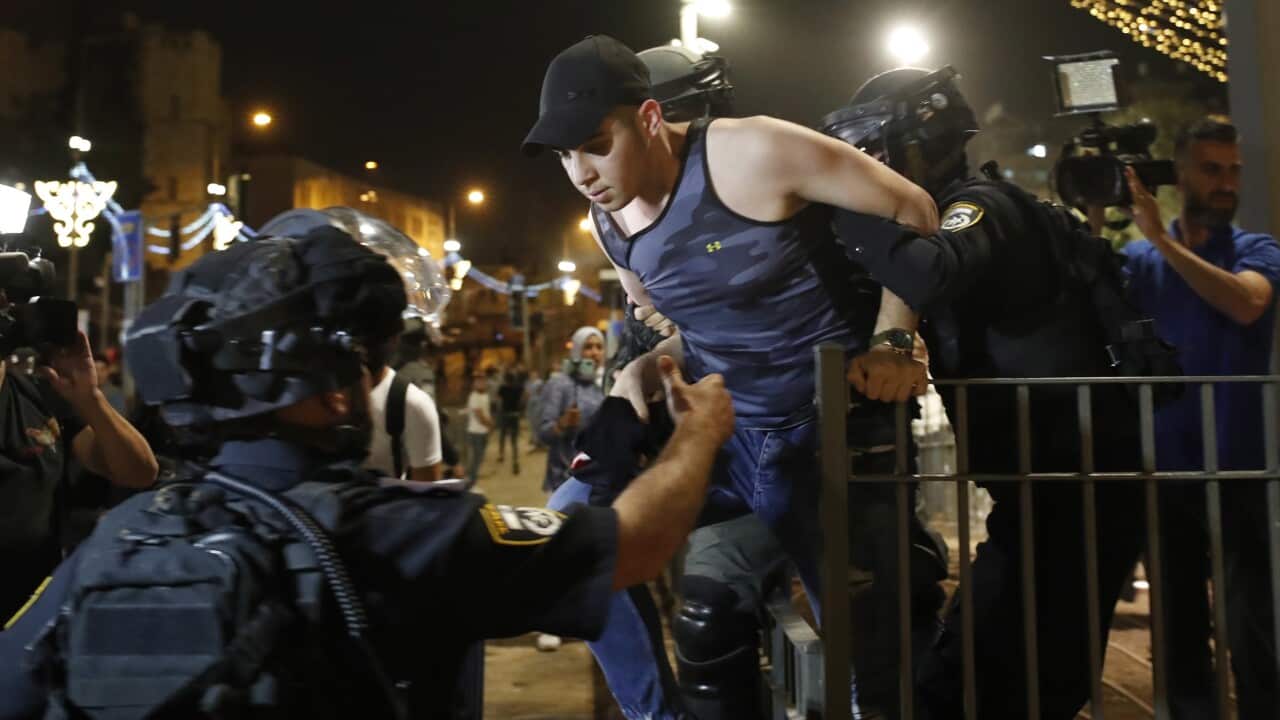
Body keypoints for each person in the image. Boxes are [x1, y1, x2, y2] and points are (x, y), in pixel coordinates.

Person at [0, 213, 738, 720]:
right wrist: (696, 434)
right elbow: (634, 543)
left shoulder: (123, 537)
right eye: (359, 359)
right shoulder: (389, 532)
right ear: (327, 385)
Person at [525, 35, 939, 719]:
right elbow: (692, 319)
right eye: (564, 154)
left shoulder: (751, 152)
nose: (582, 171)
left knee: (868, 663)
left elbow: (914, 209)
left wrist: (896, 337)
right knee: (566, 530)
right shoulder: (608, 219)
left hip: (820, 432)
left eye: (596, 142)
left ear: (651, 118)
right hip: (726, 431)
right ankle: (657, 714)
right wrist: (648, 367)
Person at [821, 66, 1161, 718]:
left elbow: (929, 270)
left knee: (989, 684)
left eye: (874, 148)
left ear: (922, 137)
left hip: (1076, 491)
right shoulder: (958, 211)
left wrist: (843, 203)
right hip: (1046, 495)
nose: (868, 165)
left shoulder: (983, 207)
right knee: (1010, 679)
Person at [1120, 115, 1280, 719]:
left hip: (1243, 469)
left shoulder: (1257, 249)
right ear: (1179, 174)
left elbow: (1247, 303)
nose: (1226, 182)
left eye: (1233, 170)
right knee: (1180, 632)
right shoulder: (1136, 261)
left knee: (1254, 629)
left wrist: (1165, 242)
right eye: (1211, 169)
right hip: (1165, 471)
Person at [0, 251, 158, 622]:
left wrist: (89, 397)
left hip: (27, 625)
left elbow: (138, 471)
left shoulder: (44, 397)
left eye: (8, 298)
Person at [537, 326, 606, 493]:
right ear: (576, 350)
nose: (595, 352)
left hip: (596, 478)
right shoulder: (560, 384)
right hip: (565, 480)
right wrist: (562, 424)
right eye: (588, 347)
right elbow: (543, 433)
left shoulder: (603, 385)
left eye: (599, 347)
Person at [465, 370, 494, 486]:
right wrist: (491, 425)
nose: (481, 383)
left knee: (480, 458)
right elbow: (480, 416)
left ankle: (472, 481)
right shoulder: (474, 397)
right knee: (476, 460)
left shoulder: (485, 395)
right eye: (478, 381)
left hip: (483, 432)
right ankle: (470, 483)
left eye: (482, 381)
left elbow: (486, 413)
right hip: (475, 432)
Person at [495, 368, 525, 474]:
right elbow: (525, 396)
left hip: (505, 414)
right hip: (515, 415)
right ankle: (515, 461)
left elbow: (498, 399)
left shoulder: (503, 388)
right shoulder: (519, 388)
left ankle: (501, 454)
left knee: (502, 436)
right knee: (514, 440)